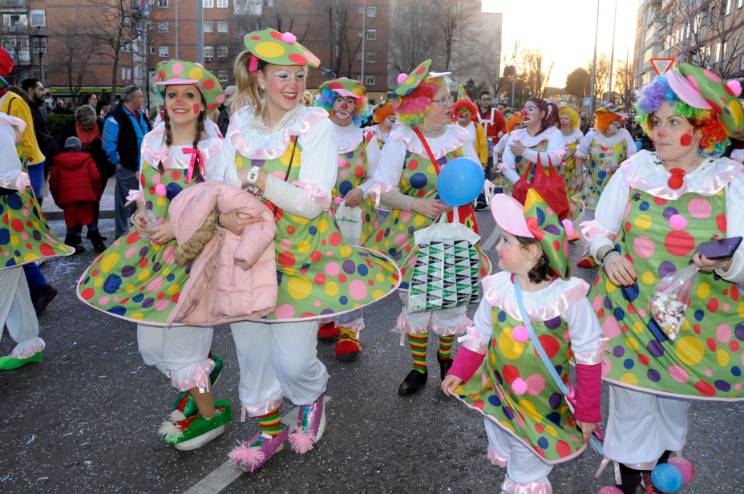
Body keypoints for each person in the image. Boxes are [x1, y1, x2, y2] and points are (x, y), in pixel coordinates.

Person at [216, 28, 400, 472]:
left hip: (301, 258)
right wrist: (224, 217)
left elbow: (311, 203)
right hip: (245, 258)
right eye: (283, 75)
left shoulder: (314, 125)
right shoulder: (239, 124)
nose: (294, 85)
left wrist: (258, 180)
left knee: (294, 360)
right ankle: (268, 429)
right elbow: (218, 187)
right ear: (260, 77)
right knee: (253, 355)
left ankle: (311, 396)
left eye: (299, 76)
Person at [581, 63, 744, 493]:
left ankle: (664, 469)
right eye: (656, 121)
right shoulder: (635, 169)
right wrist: (607, 253)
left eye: (675, 123)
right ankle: (629, 480)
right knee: (630, 402)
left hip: (692, 319)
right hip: (628, 309)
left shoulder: (729, 181)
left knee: (672, 404)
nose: (661, 131)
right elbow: (598, 228)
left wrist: (724, 262)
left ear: (704, 130)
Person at [78, 60, 231, 450]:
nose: (178, 101)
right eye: (171, 94)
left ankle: (210, 415)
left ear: (202, 103)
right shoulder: (152, 140)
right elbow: (146, 192)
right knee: (150, 349)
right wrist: (142, 213)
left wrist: (178, 229)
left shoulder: (215, 148)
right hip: (151, 257)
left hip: (194, 258)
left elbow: (223, 207)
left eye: (188, 94)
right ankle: (202, 372)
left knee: (182, 352)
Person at [442, 189, 602, 494]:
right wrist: (459, 371)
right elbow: (479, 335)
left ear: (532, 252)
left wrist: (588, 410)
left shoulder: (568, 298)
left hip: (540, 407)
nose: (497, 247)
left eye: (506, 241)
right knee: (505, 441)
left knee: (524, 473)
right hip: (498, 394)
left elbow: (588, 355)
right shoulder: (498, 289)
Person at [364, 59, 490, 396]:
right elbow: (381, 190)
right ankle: (419, 368)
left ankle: (446, 361)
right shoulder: (401, 140)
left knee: (452, 301)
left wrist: (463, 195)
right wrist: (415, 204)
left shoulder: (460, 136)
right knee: (416, 302)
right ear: (421, 105)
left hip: (455, 229)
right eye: (442, 100)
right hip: (413, 234)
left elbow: (474, 178)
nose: (450, 105)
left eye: (450, 98)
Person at [313, 77, 382, 360]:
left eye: (350, 102)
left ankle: (349, 330)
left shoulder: (367, 138)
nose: (344, 106)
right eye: (339, 100)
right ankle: (327, 317)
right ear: (330, 103)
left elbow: (378, 176)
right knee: (322, 267)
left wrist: (362, 191)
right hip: (323, 214)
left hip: (356, 214)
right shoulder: (317, 133)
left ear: (357, 107)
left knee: (352, 270)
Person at [0, 111, 74, 371]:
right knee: (12, 282)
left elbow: (9, 178)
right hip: (7, 226)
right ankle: (28, 342)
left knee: (4, 279)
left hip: (5, 225)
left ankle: (28, 341)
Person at [0, 51, 58, 315]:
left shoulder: (13, 101)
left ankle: (38, 288)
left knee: (14, 236)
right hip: (10, 175)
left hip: (19, 174)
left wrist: (21, 179)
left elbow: (25, 141)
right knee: (10, 239)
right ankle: (36, 288)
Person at [102, 85, 152, 238]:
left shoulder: (141, 115)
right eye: (140, 96)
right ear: (131, 99)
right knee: (125, 204)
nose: (142, 99)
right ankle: (122, 237)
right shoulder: (115, 117)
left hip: (143, 167)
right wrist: (118, 162)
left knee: (141, 204)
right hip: (127, 168)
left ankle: (138, 235)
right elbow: (108, 144)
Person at [66, 105, 113, 247]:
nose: (86, 128)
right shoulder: (71, 128)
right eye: (83, 126)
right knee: (78, 202)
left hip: (99, 170)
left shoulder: (101, 124)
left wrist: (109, 168)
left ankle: (93, 230)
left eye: (89, 125)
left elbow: (108, 144)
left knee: (95, 200)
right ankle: (75, 234)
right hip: (78, 171)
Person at [574, 105, 636, 211]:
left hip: (615, 186)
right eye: (615, 122)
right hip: (592, 187)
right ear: (605, 122)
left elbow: (633, 159)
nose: (619, 125)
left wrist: (620, 167)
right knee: (591, 214)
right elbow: (580, 156)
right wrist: (579, 177)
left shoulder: (624, 135)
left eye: (619, 121)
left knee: (611, 213)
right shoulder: (592, 135)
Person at [49, 136, 104, 253]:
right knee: (89, 219)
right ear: (79, 147)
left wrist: (58, 199)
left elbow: (53, 182)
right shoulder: (87, 158)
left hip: (68, 198)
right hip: (87, 196)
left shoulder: (58, 161)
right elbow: (95, 177)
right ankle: (98, 243)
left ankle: (71, 246)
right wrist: (96, 195)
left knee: (71, 221)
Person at [557, 104, 584, 200]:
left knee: (570, 196)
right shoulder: (556, 133)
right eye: (561, 118)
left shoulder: (577, 133)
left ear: (572, 120)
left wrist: (573, 150)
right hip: (557, 171)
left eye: (566, 118)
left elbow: (584, 150)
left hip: (572, 171)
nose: (563, 121)